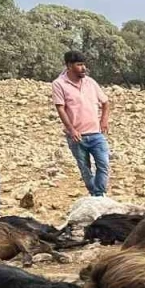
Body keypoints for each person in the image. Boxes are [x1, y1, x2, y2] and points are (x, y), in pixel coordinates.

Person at [52, 51, 111, 196]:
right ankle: (95, 194)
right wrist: (71, 129)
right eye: (79, 65)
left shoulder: (90, 82)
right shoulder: (59, 84)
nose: (83, 68)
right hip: (77, 136)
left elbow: (105, 102)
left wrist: (104, 120)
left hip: (96, 133)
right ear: (69, 66)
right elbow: (60, 108)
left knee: (103, 165)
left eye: (84, 64)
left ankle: (99, 194)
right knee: (85, 169)